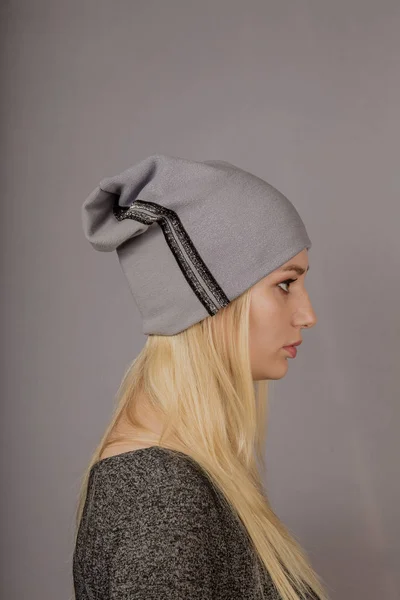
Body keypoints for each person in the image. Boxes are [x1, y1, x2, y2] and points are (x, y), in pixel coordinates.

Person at [72, 154, 330, 600]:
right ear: (212, 302)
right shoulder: (157, 493)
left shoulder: (181, 473)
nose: (308, 315)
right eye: (286, 283)